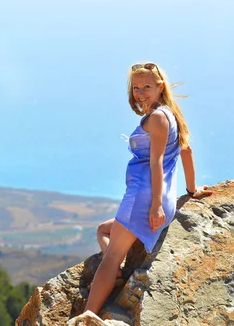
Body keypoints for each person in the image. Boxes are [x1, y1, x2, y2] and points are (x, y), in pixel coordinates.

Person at [83, 62, 214, 315]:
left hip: (143, 199)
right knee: (103, 230)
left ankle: (86, 316)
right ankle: (118, 274)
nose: (140, 93)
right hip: (156, 198)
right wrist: (192, 189)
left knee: (110, 257)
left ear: (160, 86)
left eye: (146, 87)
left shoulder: (156, 117)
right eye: (135, 88)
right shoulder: (170, 114)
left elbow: (156, 163)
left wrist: (155, 206)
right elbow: (186, 150)